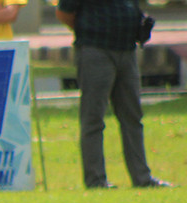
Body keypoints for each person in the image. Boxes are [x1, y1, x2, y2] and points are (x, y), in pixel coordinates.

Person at [56, 0, 173, 189]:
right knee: (93, 117)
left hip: (127, 50)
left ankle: (142, 178)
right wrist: (92, 29)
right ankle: (96, 180)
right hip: (95, 50)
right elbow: (64, 13)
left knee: (133, 117)